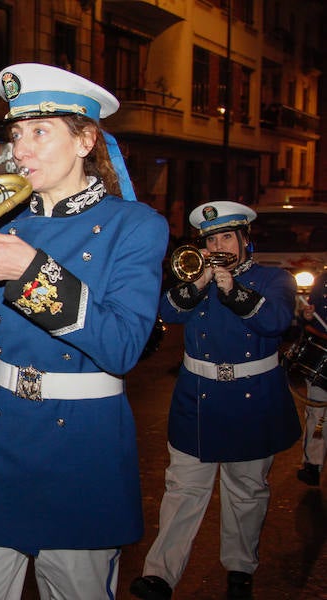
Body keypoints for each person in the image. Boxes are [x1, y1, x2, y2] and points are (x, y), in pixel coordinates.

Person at [0, 63, 169, 599]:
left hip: (82, 444)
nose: (21, 149)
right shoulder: (6, 223)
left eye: (40, 131)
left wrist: (31, 273)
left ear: (87, 139)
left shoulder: (135, 226)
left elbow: (124, 346)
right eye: (16, 134)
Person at [130, 201, 300, 600]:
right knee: (183, 488)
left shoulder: (274, 279)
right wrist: (201, 282)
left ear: (244, 239)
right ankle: (160, 574)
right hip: (198, 397)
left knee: (246, 490)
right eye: (210, 238)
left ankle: (240, 567)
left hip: (252, 399)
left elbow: (275, 322)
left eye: (226, 236)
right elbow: (166, 312)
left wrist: (231, 289)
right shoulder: (198, 280)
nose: (218, 244)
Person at [295, 269, 327, 485]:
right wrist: (305, 315)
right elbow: (307, 315)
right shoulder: (323, 279)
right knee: (317, 415)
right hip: (321, 352)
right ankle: (312, 464)